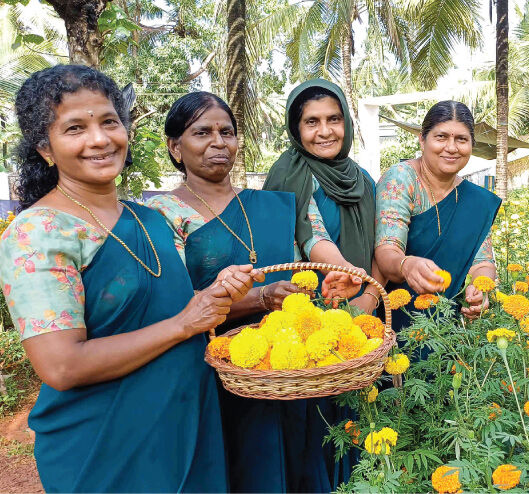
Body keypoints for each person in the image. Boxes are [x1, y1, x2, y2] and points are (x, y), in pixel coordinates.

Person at [0, 65, 260, 492]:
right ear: (45, 148)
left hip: (186, 427)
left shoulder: (151, 219)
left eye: (109, 122)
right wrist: (184, 323)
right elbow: (62, 365)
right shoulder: (39, 233)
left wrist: (220, 296)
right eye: (75, 128)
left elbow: (166, 306)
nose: (100, 139)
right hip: (106, 447)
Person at [145, 91, 349, 493]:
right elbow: (175, 304)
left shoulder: (278, 205)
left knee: (297, 465)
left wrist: (341, 273)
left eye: (227, 132)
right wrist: (258, 299)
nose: (218, 142)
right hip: (215, 370)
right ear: (175, 146)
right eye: (202, 132)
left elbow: (316, 245)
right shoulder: (160, 214)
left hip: (291, 366)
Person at [262, 79, 380, 491]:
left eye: (333, 119)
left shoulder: (361, 177)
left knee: (360, 420)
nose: (325, 131)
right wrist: (350, 275)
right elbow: (311, 235)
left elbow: (382, 244)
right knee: (314, 425)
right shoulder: (289, 171)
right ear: (296, 129)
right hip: (309, 318)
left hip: (361, 316)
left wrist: (366, 296)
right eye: (311, 122)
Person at [375, 100, 501, 331]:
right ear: (422, 140)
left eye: (461, 139)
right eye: (441, 137)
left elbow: (483, 262)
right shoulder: (401, 179)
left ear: (472, 144)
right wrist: (406, 265)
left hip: (445, 333)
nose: (451, 148)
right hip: (394, 324)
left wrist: (480, 289)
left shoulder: (475, 201)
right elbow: (386, 250)